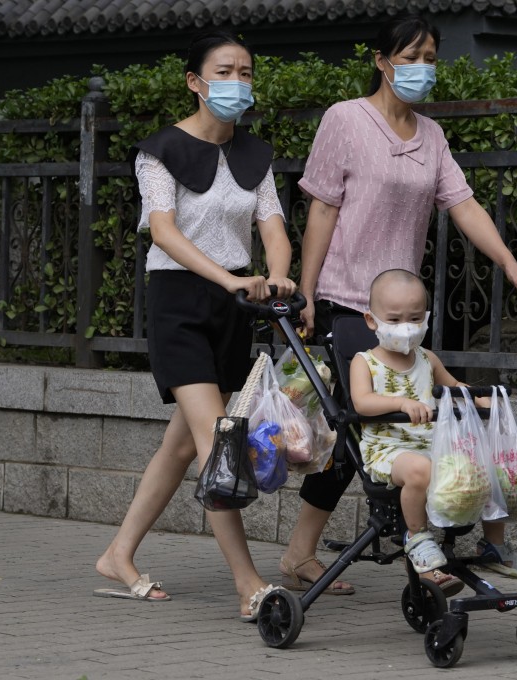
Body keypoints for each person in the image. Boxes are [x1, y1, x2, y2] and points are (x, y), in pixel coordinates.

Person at [277, 13, 517, 590]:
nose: (421, 69)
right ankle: (320, 553)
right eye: (410, 57)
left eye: (430, 59)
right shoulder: (344, 120)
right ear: (380, 60)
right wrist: (308, 292)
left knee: (416, 423)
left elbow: (463, 204)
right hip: (347, 302)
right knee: (355, 431)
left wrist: (508, 260)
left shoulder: (432, 136)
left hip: (401, 313)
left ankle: (406, 542)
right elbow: (321, 207)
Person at [93, 30, 297, 621]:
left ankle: (118, 554)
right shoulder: (159, 151)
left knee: (182, 443)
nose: (238, 82)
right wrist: (227, 279)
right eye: (225, 71)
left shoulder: (255, 155)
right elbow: (164, 232)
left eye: (247, 72)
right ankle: (248, 584)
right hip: (181, 300)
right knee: (219, 448)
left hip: (234, 306)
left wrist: (278, 277)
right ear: (195, 81)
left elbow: (273, 228)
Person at [350, 270, 490, 571]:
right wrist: (401, 403)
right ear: (372, 320)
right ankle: (417, 536)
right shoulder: (365, 362)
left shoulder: (427, 358)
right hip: (387, 450)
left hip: (431, 445)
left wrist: (479, 397)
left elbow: (453, 387)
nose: (407, 328)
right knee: (419, 469)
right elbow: (362, 401)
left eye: (415, 319)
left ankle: (495, 545)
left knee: (483, 466)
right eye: (395, 319)